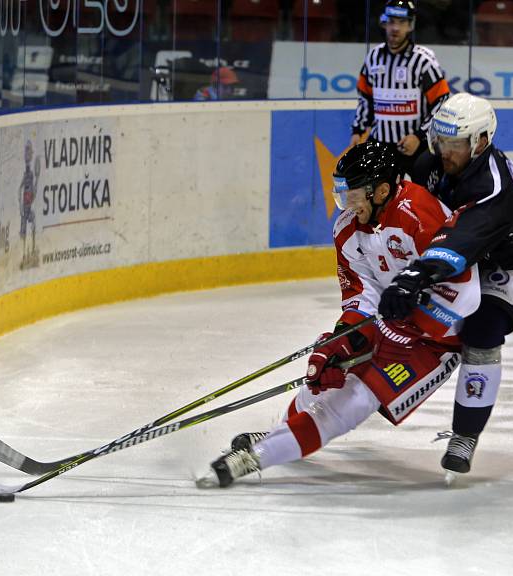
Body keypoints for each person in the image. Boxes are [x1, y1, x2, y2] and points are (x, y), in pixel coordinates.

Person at [200, 141, 481, 488]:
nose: (347, 206)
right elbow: (362, 295)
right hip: (390, 324)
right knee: (324, 375)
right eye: (343, 196)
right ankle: (281, 435)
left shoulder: (420, 214)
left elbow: (466, 292)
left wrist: (410, 326)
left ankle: (254, 459)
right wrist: (343, 340)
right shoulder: (348, 228)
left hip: (436, 342)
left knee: (355, 400)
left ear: (381, 190)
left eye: (354, 195)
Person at [389, 93, 513, 474]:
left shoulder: (494, 185)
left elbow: (463, 237)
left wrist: (418, 272)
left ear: (480, 141)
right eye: (440, 141)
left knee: (481, 331)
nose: (444, 151)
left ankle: (466, 434)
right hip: (472, 253)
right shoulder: (434, 163)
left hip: (512, 263)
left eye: (455, 143)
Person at [350, 0, 450, 176]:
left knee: (420, 199)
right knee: (377, 197)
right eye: (391, 21)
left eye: (402, 22)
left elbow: (442, 102)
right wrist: (358, 130)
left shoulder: (423, 60)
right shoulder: (373, 57)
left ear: (410, 26)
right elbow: (365, 97)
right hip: (380, 144)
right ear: (384, 23)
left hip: (414, 147)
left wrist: (419, 137)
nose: (395, 28)